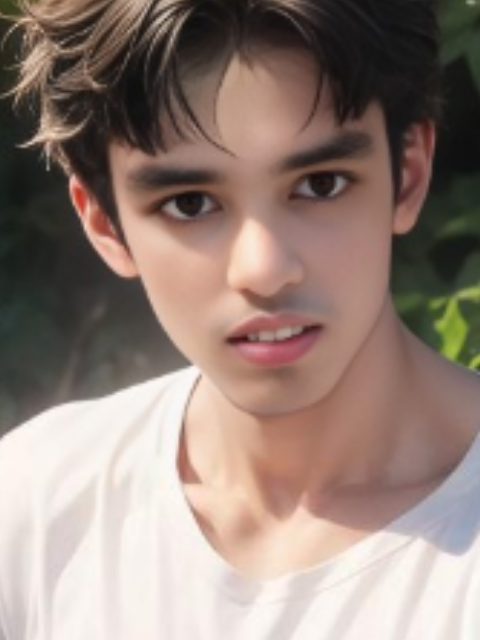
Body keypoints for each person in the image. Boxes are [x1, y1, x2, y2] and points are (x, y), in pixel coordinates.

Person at [2, 0, 480, 638]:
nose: (263, 269)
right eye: (190, 203)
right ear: (103, 223)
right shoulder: (35, 509)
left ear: (409, 174)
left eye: (321, 184)